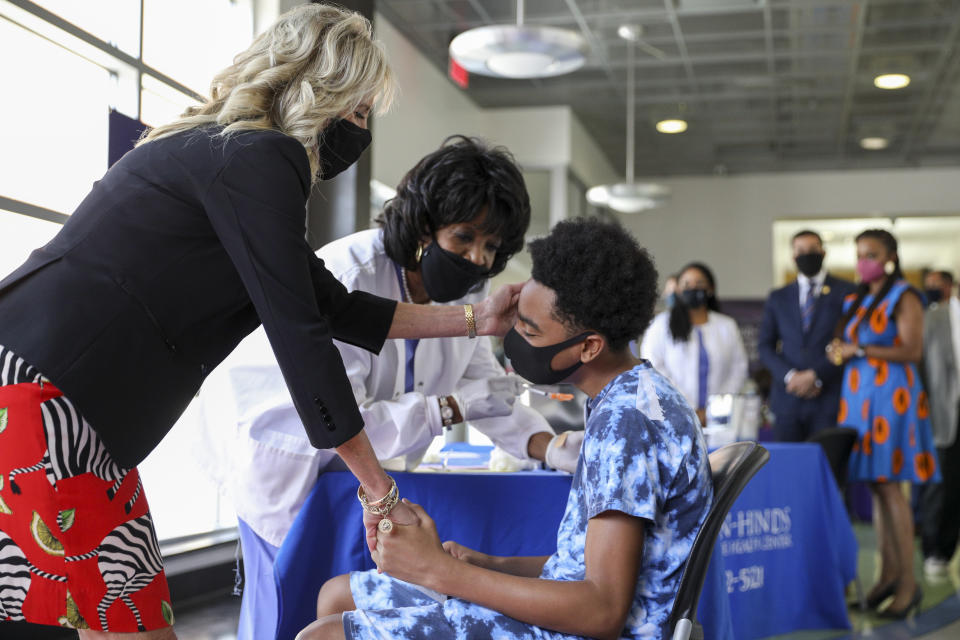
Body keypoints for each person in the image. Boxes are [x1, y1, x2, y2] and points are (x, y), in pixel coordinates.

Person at [0, 6, 518, 638]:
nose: (360, 132)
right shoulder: (264, 158)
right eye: (358, 112)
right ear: (321, 90)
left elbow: (335, 307)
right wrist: (378, 492)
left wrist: (475, 318)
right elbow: (302, 339)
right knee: (118, 621)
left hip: (59, 402)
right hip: (45, 401)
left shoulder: (227, 156)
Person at [202, 136, 574, 640]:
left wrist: (548, 446)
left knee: (344, 605)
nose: (477, 259)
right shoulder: (351, 276)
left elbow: (485, 386)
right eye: (463, 237)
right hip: (291, 461)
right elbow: (344, 418)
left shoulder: (470, 292)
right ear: (424, 225)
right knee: (283, 611)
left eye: (491, 248)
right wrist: (449, 409)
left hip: (366, 481)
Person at [298, 218, 713, 640]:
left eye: (529, 330)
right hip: (576, 614)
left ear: (588, 347)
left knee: (323, 636)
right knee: (338, 596)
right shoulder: (641, 393)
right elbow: (581, 568)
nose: (513, 338)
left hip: (585, 631)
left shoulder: (628, 425)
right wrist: (486, 566)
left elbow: (601, 611)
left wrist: (442, 573)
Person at [828, 228, 940, 618]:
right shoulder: (860, 297)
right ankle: (887, 575)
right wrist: (841, 349)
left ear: (890, 257)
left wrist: (859, 348)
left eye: (871, 254)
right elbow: (849, 341)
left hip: (892, 397)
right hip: (860, 398)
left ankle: (909, 584)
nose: (864, 261)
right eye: (859, 253)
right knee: (877, 487)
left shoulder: (905, 295)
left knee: (892, 488)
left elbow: (911, 349)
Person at [758, 230, 856, 441]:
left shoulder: (847, 292)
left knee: (829, 465)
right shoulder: (778, 297)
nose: (807, 255)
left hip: (829, 397)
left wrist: (816, 376)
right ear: (793, 256)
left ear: (823, 252)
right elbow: (765, 347)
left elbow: (850, 343)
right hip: (787, 400)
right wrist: (791, 376)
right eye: (801, 250)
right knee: (789, 467)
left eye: (812, 250)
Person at [641, 262, 748, 425]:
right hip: (673, 412)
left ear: (710, 289)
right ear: (678, 289)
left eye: (699, 284)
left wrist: (714, 408)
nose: (692, 288)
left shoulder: (726, 325)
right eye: (686, 284)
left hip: (720, 417)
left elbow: (738, 368)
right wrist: (689, 408)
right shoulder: (661, 325)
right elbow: (653, 368)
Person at [919, 270, 960, 580]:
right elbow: (920, 368)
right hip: (944, 414)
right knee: (941, 486)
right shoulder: (932, 319)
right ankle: (936, 551)